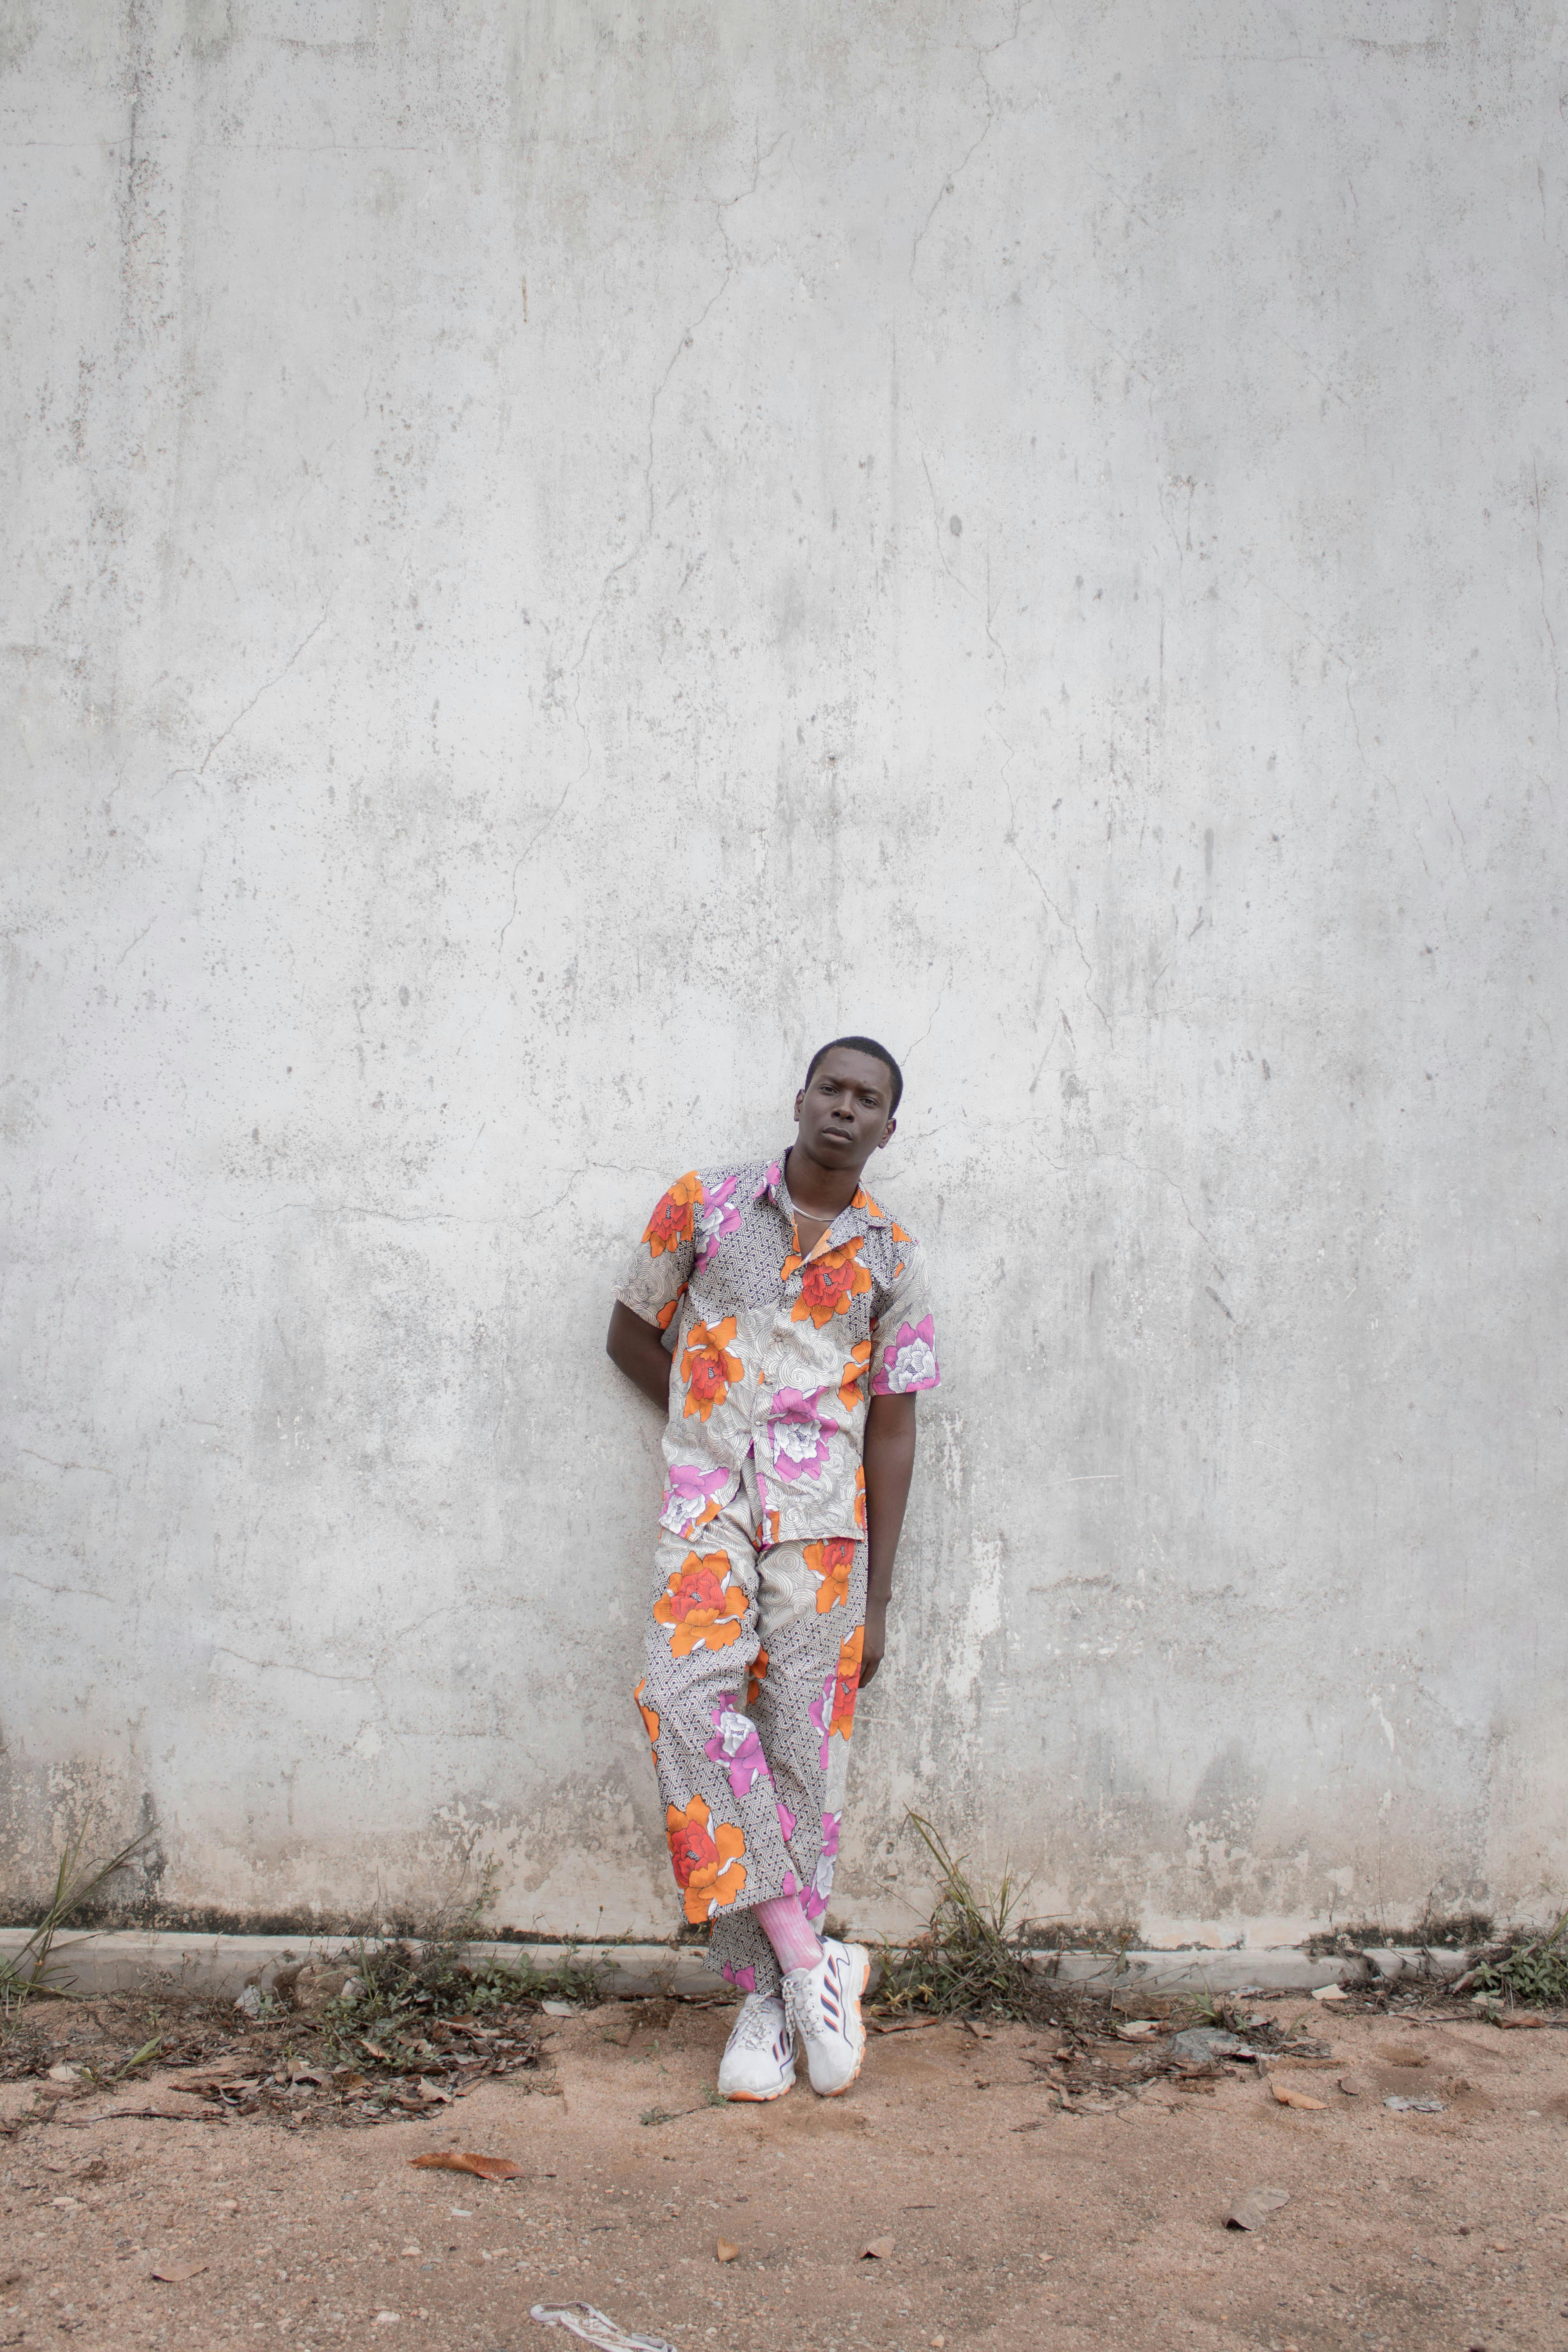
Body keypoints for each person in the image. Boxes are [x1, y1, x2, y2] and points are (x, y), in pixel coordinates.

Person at [606, 1036, 940, 2102]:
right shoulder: (703, 1208)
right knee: (681, 1696)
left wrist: (879, 1598)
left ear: (889, 1128)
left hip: (824, 1533)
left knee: (802, 1753)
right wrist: (716, 1428)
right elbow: (627, 1332)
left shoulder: (891, 1259)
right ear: (800, 1099)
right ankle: (811, 1961)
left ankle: (763, 2006)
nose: (846, 1110)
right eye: (833, 1090)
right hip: (708, 1510)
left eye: (870, 1102)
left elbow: (895, 1428)